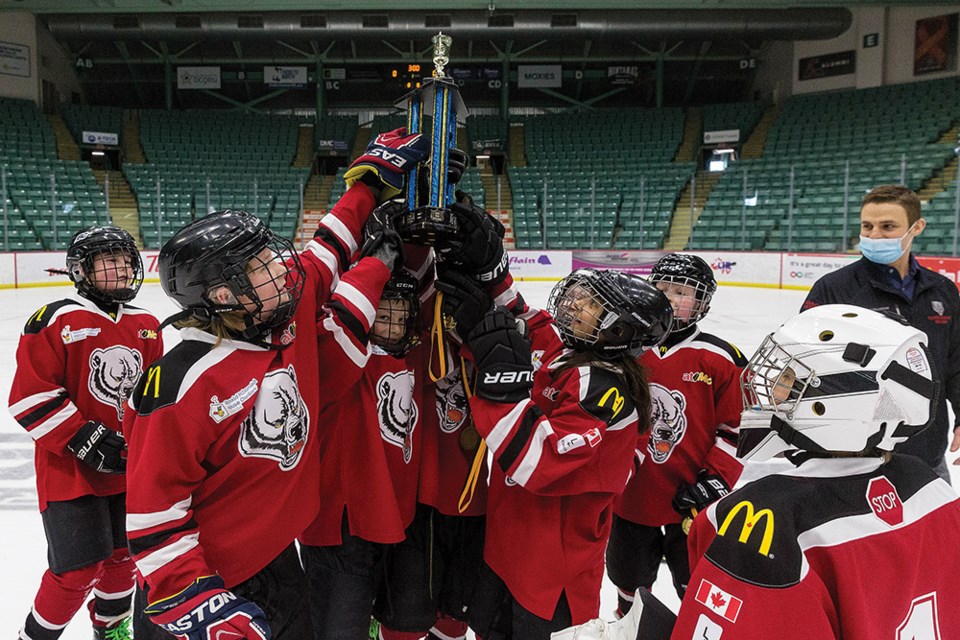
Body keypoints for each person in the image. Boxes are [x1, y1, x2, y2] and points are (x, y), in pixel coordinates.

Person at [123, 129, 427, 640]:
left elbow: (326, 249)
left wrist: (372, 181)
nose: (282, 268)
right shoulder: (180, 384)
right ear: (225, 294)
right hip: (199, 589)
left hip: (275, 563)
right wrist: (198, 602)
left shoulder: (273, 316)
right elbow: (152, 513)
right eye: (262, 266)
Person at [555, 304, 960, 640]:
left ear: (839, 401)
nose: (770, 388)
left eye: (790, 379)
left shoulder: (760, 519)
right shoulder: (933, 489)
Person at [463, 269, 673, 639]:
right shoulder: (574, 358)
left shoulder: (603, 384)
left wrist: (499, 385)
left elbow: (538, 462)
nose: (575, 303)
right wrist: (490, 272)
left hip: (551, 571)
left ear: (618, 331)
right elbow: (533, 326)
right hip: (513, 548)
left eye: (592, 304)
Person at [10, 226, 162, 640]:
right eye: (108, 261)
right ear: (81, 270)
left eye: (125, 261)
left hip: (129, 469)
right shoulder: (54, 319)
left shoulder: (147, 324)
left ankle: (110, 629)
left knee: (122, 558)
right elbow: (29, 398)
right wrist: (83, 437)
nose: (121, 269)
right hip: (70, 473)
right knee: (75, 570)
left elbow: (154, 397)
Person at [298, 206, 427, 639]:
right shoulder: (338, 350)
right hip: (340, 524)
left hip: (396, 516)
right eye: (380, 311)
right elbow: (331, 324)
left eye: (399, 313)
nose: (389, 323)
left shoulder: (419, 355)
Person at [607, 253, 746, 611]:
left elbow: (736, 429)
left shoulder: (720, 357)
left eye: (682, 291)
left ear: (701, 301)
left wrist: (716, 479)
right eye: (662, 288)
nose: (669, 297)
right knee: (629, 588)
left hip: (693, 501)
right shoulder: (624, 347)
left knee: (696, 592)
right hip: (631, 498)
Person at [801, 184, 960, 483]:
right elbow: (805, 365)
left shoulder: (942, 290)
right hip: (853, 458)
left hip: (928, 454)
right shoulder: (834, 288)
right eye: (867, 226)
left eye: (887, 227)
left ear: (917, 227)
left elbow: (956, 361)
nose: (874, 236)